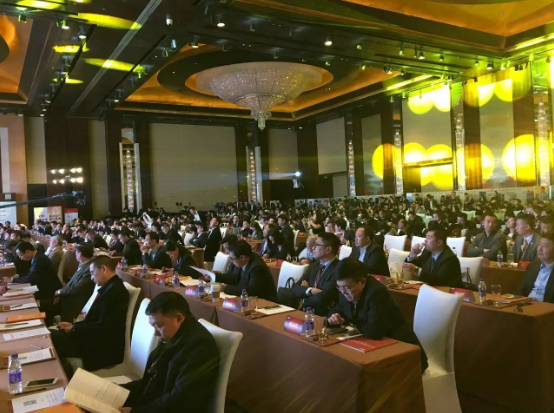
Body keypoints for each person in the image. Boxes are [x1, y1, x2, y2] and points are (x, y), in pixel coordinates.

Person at [120, 292, 219, 413]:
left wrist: (135, 411)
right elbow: (151, 381)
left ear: (178, 318)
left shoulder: (200, 345)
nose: (155, 333)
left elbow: (180, 399)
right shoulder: (174, 336)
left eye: (158, 325)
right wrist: (118, 390)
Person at [328, 258, 428, 372]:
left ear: (362, 282)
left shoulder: (377, 293)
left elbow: (374, 331)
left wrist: (348, 321)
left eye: (347, 287)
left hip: (405, 354)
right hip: (380, 349)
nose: (343, 292)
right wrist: (334, 316)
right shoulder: (344, 290)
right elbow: (338, 308)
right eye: (339, 287)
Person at [51, 255, 129, 378]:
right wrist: (74, 326)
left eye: (92, 273)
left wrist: (74, 329)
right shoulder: (109, 287)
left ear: (103, 269)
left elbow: (105, 327)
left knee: (51, 338)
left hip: (101, 347)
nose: (91, 278)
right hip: (93, 337)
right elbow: (95, 320)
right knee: (51, 335)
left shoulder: (115, 292)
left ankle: (60, 379)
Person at [292, 232, 340, 316]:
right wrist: (310, 290)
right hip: (306, 314)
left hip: (324, 316)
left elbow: (323, 298)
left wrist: (303, 299)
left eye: (317, 245)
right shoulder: (314, 266)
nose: (313, 248)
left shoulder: (338, 269)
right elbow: (295, 287)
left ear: (328, 249)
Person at [213, 240, 278, 301]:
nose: (231, 261)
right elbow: (235, 277)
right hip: (251, 300)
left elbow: (249, 291)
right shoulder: (244, 260)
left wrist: (226, 288)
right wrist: (215, 276)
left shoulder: (257, 267)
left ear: (242, 258)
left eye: (232, 258)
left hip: (266, 302)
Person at [49, 243, 96, 323]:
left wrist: (60, 292)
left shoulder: (89, 269)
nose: (75, 254)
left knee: (48, 305)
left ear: (80, 254)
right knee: (48, 302)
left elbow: (77, 288)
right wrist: (61, 291)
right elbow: (72, 283)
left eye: (76, 252)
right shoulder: (84, 264)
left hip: (76, 301)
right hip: (71, 295)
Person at [516, 232, 554, 303]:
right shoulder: (533, 266)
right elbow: (521, 289)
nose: (540, 249)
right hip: (526, 304)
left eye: (545, 246)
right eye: (539, 244)